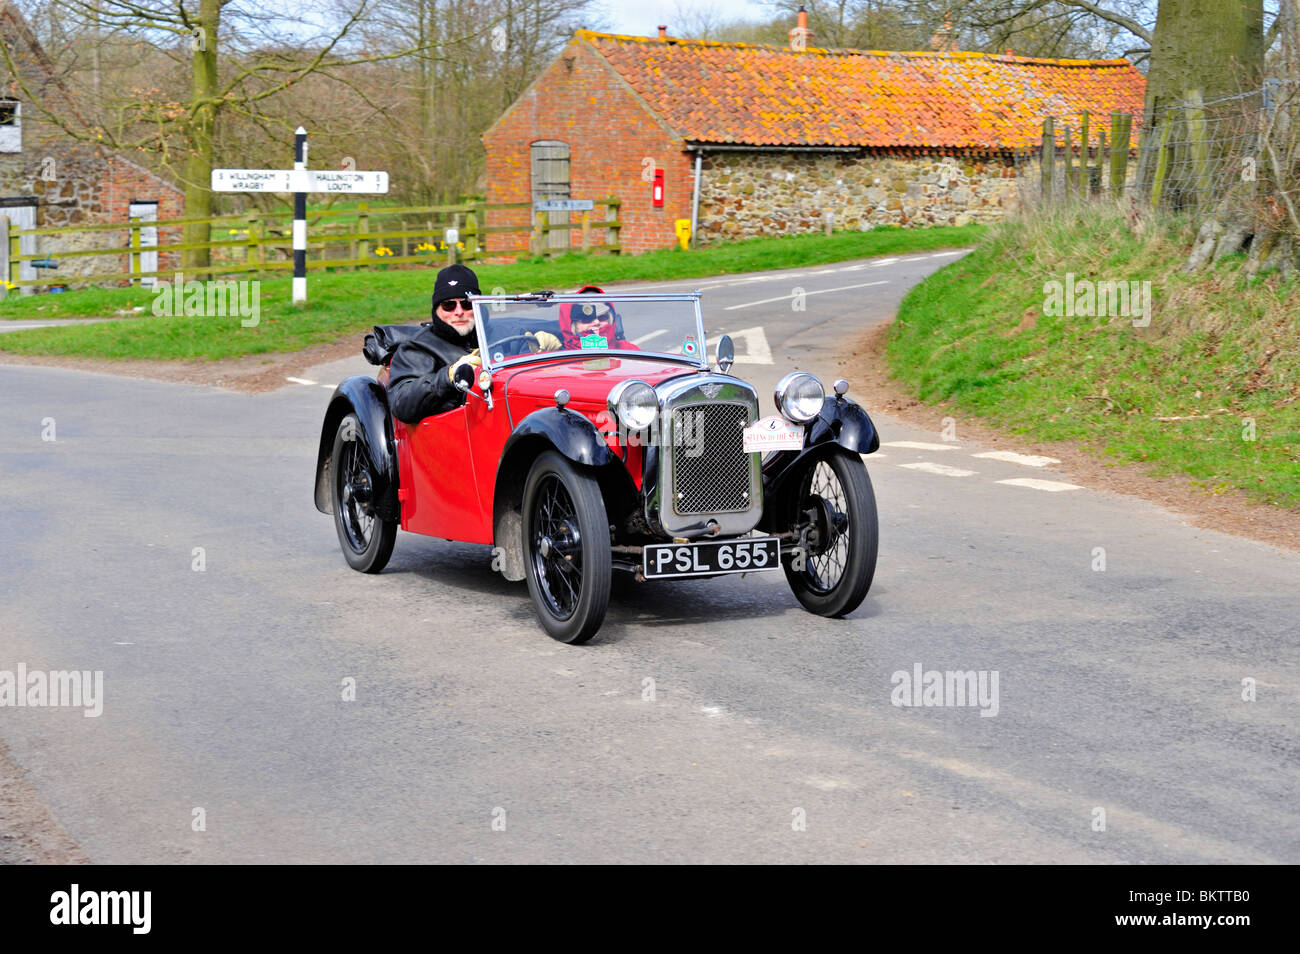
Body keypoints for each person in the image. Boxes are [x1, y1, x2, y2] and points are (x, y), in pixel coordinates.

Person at [386, 264, 486, 425]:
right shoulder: (417, 348)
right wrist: (449, 375)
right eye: (449, 305)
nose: (459, 311)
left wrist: (535, 346)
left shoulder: (493, 334)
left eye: (467, 304)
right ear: (437, 309)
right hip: (453, 434)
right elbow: (402, 404)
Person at [558, 285, 640, 352]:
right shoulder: (558, 359)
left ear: (610, 320)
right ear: (573, 326)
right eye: (586, 319)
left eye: (602, 317)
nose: (596, 322)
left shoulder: (628, 351)